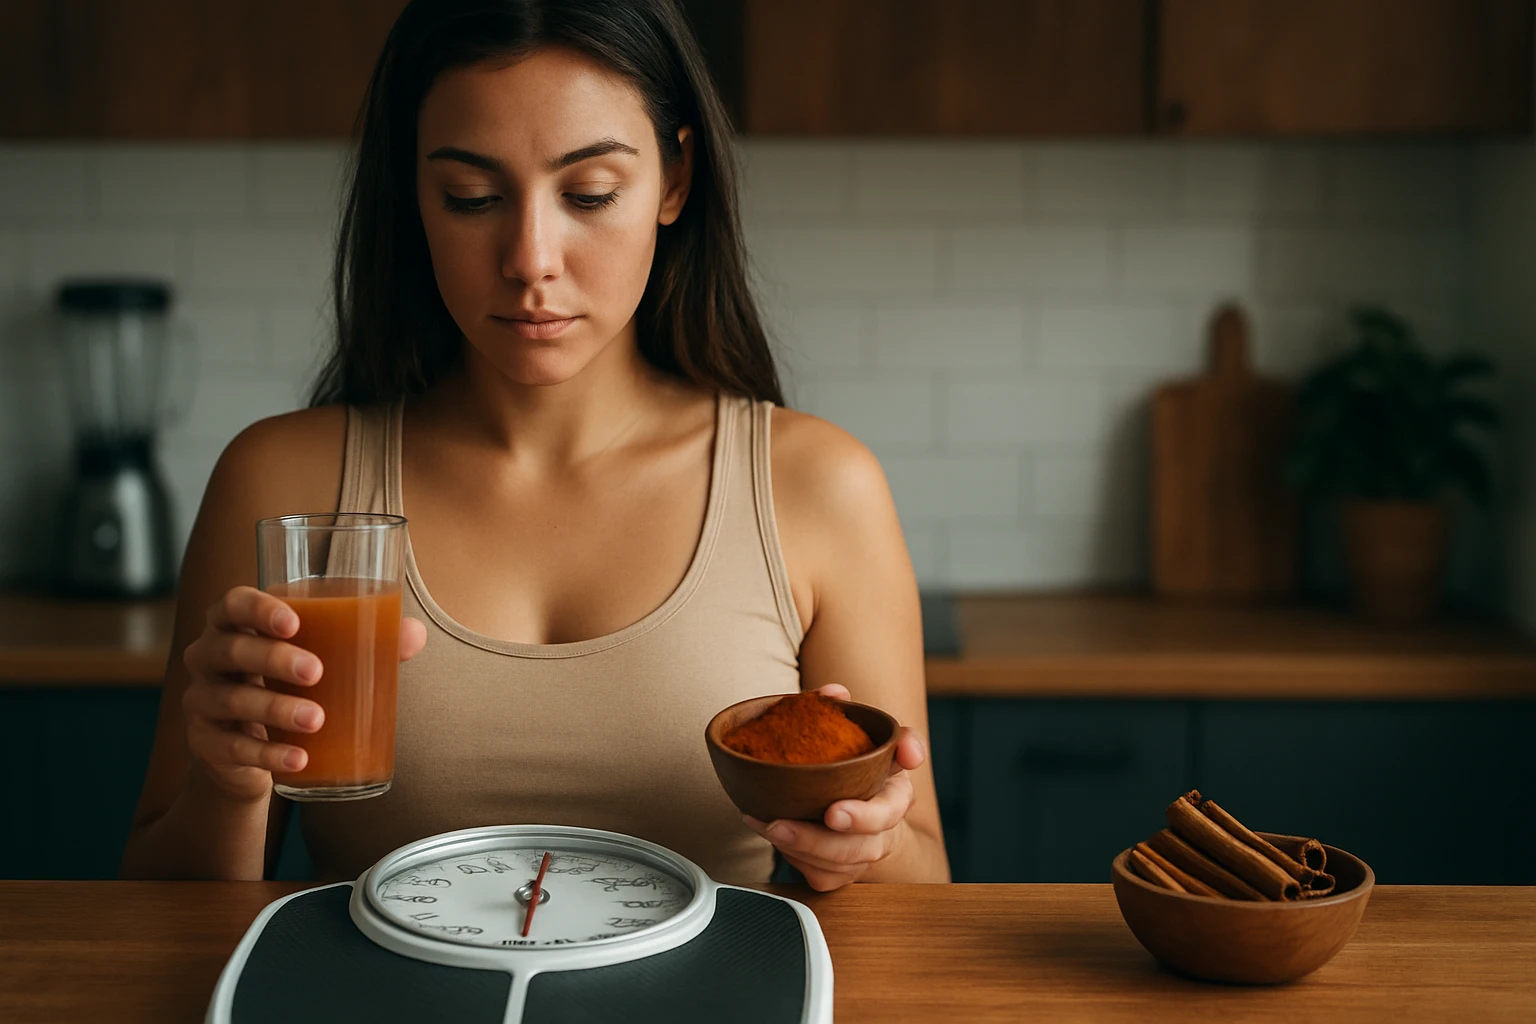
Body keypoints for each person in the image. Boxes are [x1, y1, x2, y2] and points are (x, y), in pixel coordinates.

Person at [120, 0, 949, 890]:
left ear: (675, 180)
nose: (530, 258)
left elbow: (920, 889)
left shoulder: (819, 486)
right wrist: (227, 781)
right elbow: (161, 908)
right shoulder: (281, 482)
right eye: (470, 198)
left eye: (589, 194)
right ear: (413, 195)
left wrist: (862, 843)